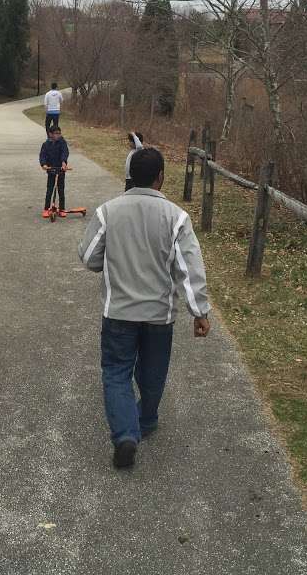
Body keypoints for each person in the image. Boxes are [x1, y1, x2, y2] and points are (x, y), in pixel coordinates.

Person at [78, 147, 211, 469]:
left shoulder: (108, 212)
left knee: (116, 372)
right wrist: (199, 311)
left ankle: (125, 434)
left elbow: (88, 256)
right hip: (158, 315)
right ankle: (147, 419)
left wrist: (107, 263)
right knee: (153, 372)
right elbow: (188, 267)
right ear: (161, 177)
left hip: (119, 313)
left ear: (130, 176)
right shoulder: (177, 218)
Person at [39, 126, 69, 217]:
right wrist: (44, 164)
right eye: (56, 133)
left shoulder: (62, 143)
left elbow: (65, 152)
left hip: (60, 169)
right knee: (49, 190)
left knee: (61, 190)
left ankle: (62, 208)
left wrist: (64, 162)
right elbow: (42, 155)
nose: (58, 135)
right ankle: (46, 208)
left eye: (59, 133)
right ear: (50, 134)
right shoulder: (46, 144)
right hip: (51, 169)